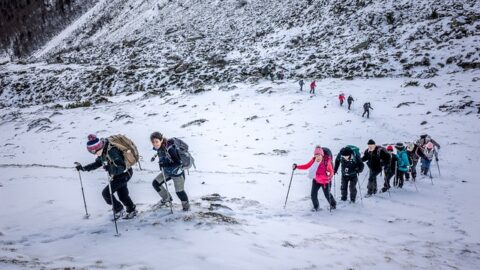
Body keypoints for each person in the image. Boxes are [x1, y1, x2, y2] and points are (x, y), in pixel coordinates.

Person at [75, 134, 137, 219]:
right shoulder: (103, 151)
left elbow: (121, 167)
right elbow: (98, 163)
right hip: (118, 175)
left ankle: (119, 210)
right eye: (91, 151)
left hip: (124, 174)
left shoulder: (111, 151)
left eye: (93, 151)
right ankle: (131, 210)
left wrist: (110, 169)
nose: (94, 154)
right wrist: (84, 168)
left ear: (97, 147)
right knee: (123, 196)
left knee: (106, 193)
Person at [150, 132, 190, 211]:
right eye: (153, 142)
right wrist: (162, 163)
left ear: (161, 140)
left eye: (156, 141)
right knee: (155, 183)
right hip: (167, 171)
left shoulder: (169, 148)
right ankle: (167, 198)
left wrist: (165, 164)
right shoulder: (160, 148)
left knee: (179, 192)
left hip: (177, 172)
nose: (155, 144)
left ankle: (186, 207)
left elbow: (178, 162)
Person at [293, 146, 336, 211]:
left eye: (319, 155)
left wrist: (328, 175)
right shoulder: (313, 160)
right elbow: (306, 166)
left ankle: (333, 205)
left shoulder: (327, 162)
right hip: (316, 180)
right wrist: (297, 167)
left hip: (325, 182)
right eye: (316, 155)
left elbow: (331, 173)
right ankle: (316, 207)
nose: (317, 157)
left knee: (327, 195)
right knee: (313, 195)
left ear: (322, 155)